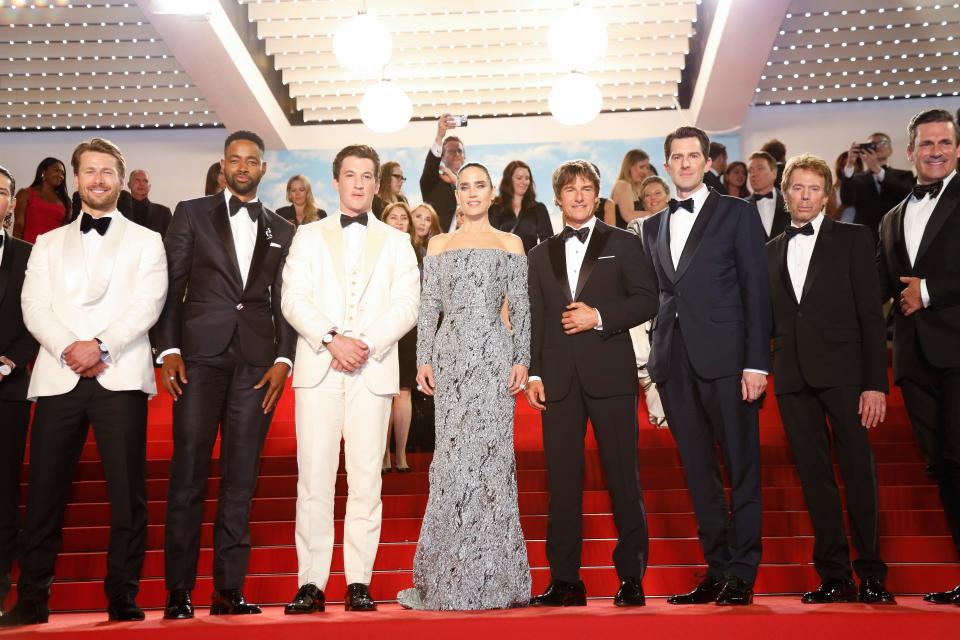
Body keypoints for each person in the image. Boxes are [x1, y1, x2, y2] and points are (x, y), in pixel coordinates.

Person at [1, 139, 168, 628]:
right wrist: (70, 348)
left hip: (120, 376)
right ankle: (32, 598)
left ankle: (122, 595)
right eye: (89, 171)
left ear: (120, 178)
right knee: (45, 494)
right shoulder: (48, 244)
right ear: (76, 179)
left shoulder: (147, 240)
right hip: (58, 378)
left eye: (107, 172)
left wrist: (101, 345)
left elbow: (148, 303)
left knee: (127, 494)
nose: (97, 179)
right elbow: (34, 307)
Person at [156, 130, 296, 620]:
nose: (243, 167)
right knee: (188, 473)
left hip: (257, 364)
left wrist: (284, 359)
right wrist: (168, 347)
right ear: (223, 166)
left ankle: (227, 590)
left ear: (263, 168)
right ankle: (178, 591)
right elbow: (172, 286)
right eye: (234, 159)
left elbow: (287, 300)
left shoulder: (283, 227)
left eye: (252, 160)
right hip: (198, 357)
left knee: (242, 478)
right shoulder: (191, 212)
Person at [280, 144, 419, 615]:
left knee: (365, 481)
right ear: (336, 181)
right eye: (349, 175)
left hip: (373, 369)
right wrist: (331, 338)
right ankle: (311, 582)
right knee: (314, 478)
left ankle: (359, 580)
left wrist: (364, 343)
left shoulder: (398, 242)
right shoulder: (308, 235)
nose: (358, 183)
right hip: (320, 367)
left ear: (377, 185)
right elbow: (293, 298)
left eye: (366, 176)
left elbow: (407, 304)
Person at [640, 126, 771, 606]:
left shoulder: (737, 213)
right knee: (699, 472)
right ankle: (716, 568)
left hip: (729, 361)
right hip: (674, 364)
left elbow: (757, 290)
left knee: (742, 466)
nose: (686, 164)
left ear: (707, 162)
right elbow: (654, 296)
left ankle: (743, 570)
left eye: (694, 155)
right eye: (677, 157)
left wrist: (756, 361)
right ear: (667, 163)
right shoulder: (652, 226)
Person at [525, 160, 658, 608]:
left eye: (586, 189)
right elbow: (537, 320)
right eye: (570, 189)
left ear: (597, 194)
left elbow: (646, 299)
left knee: (623, 478)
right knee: (562, 483)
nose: (578, 196)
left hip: (611, 377)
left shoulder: (623, 242)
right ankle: (565, 580)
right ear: (557, 197)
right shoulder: (539, 255)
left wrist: (598, 318)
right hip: (559, 381)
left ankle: (631, 578)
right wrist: (537, 373)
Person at [397, 161, 530, 610]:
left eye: (480, 186)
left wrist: (521, 359)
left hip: (494, 357)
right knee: (452, 464)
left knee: (492, 463)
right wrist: (423, 361)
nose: (472, 193)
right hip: (450, 358)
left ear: (493, 193)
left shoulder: (510, 242)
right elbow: (429, 304)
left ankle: (496, 578)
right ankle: (447, 577)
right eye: (465, 187)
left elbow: (522, 310)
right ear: (456, 195)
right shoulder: (438, 243)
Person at [767, 154, 894, 605]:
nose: (805, 196)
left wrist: (874, 382)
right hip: (793, 377)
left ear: (826, 195)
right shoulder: (771, 249)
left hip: (845, 373)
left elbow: (870, 316)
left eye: (813, 188)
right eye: (797, 188)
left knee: (858, 470)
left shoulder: (854, 239)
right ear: (785, 195)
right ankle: (834, 575)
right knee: (815, 477)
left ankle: (873, 574)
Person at [876, 108, 960, 605]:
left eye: (944, 143)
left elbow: (920, 286)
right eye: (926, 144)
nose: (935, 151)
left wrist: (928, 291)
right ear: (910, 152)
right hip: (915, 362)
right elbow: (875, 288)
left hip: (958, 353)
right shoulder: (891, 217)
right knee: (945, 469)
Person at [0, 166, 39, 616]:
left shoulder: (28, 255)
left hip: (7, 391)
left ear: (13, 202)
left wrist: (10, 361)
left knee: (4, 494)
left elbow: (38, 317)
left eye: (3, 192)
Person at [626, 175, 670, 428]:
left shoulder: (681, 223)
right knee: (645, 356)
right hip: (648, 297)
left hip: (677, 300)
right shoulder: (637, 226)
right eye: (648, 195)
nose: (653, 198)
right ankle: (659, 413)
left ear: (667, 195)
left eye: (657, 193)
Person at [380, 201, 417, 473]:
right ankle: (382, 454)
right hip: (378, 327)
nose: (399, 221)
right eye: (393, 217)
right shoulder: (374, 250)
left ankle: (401, 455)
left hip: (408, 329)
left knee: (404, 392)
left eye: (404, 217)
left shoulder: (418, 252)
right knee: (382, 394)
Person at [842, 132, 915, 244]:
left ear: (890, 149)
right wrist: (849, 165)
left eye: (882, 142)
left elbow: (908, 196)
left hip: (896, 237)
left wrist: (878, 170)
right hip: (864, 240)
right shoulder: (857, 179)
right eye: (872, 144)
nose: (877, 146)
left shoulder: (905, 175)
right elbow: (847, 200)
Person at [488, 160, 552, 254]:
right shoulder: (495, 209)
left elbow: (548, 244)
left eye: (527, 178)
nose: (524, 182)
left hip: (530, 266)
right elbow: (490, 243)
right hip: (502, 266)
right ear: (509, 180)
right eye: (519, 178)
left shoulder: (538, 209)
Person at [420, 114, 466, 232]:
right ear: (442, 157)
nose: (456, 154)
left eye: (459, 151)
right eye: (450, 151)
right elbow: (431, 166)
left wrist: (456, 182)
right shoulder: (432, 184)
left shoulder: (470, 187)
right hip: (438, 245)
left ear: (464, 157)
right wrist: (440, 135)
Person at [12, 157, 70, 244]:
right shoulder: (25, 193)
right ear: (43, 171)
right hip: (29, 250)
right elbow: (19, 224)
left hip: (54, 252)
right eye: (56, 170)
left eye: (62, 173)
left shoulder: (65, 201)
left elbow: (65, 229)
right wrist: (14, 250)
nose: (60, 176)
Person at [748, 151, 790, 241]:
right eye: (751, 170)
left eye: (760, 169)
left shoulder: (791, 203)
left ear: (774, 173)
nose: (754, 174)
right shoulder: (740, 207)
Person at [610, 149, 654, 228]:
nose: (645, 171)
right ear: (630, 167)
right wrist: (657, 214)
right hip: (623, 238)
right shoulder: (623, 185)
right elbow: (628, 215)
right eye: (641, 167)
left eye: (647, 168)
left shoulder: (637, 191)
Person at [127, 169, 173, 237]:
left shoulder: (164, 213)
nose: (142, 184)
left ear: (149, 186)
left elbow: (171, 241)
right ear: (129, 185)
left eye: (145, 181)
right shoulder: (118, 211)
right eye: (137, 180)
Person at [828, 151, 861, 222]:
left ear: (858, 166)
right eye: (844, 166)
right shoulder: (833, 190)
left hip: (862, 231)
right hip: (840, 231)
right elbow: (829, 221)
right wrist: (843, 206)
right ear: (840, 168)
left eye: (852, 165)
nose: (847, 168)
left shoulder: (866, 188)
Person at [411, 202, 442, 268]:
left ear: (432, 225)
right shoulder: (404, 245)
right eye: (418, 217)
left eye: (428, 220)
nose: (422, 223)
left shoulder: (432, 251)